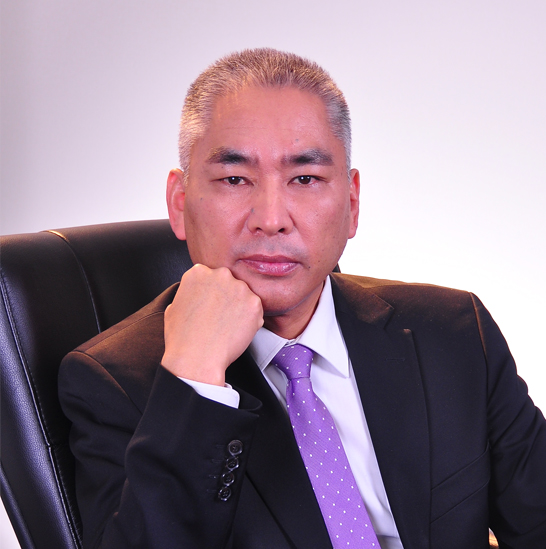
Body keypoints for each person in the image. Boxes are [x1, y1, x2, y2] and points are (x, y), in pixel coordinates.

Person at [58, 48, 546, 549]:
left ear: (352, 202)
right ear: (180, 204)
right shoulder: (113, 385)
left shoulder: (453, 331)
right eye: (234, 179)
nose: (271, 219)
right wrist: (196, 379)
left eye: (305, 179)